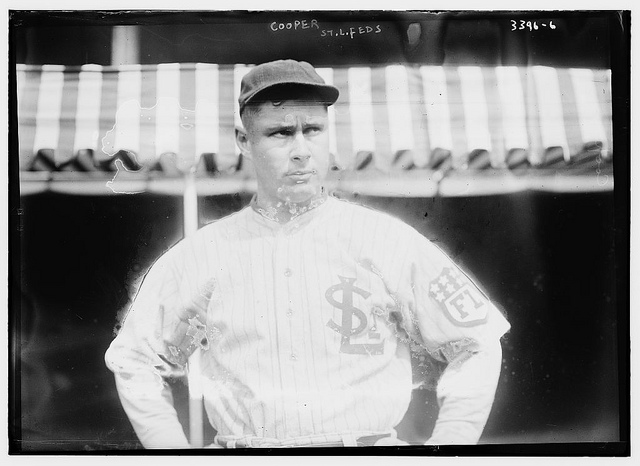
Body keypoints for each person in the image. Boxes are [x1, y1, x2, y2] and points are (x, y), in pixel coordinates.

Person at [105, 59, 510, 449]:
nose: (301, 149)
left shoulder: (386, 240)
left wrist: (448, 450)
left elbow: (477, 341)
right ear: (244, 141)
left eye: (312, 129)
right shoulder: (201, 255)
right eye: (280, 133)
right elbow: (135, 360)